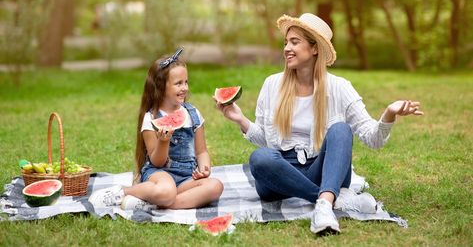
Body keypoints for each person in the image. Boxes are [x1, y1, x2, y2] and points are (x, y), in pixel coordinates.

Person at [215, 13, 423, 235]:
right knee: (260, 158)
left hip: (323, 170)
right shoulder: (272, 85)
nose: (287, 48)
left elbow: (373, 139)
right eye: (286, 42)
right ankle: (332, 200)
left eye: (295, 42)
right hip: (280, 175)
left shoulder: (339, 87)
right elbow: (265, 139)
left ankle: (323, 206)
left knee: (341, 130)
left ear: (315, 49)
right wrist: (240, 119)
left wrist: (389, 114)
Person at [89, 48, 223, 210]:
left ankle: (153, 203)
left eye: (186, 82)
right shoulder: (151, 119)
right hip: (159, 175)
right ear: (160, 87)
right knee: (166, 191)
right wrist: (163, 142)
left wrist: (204, 168)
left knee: (215, 186)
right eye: (178, 83)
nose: (185, 88)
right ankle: (123, 192)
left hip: (187, 177)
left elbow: (201, 152)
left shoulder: (193, 114)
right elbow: (157, 161)